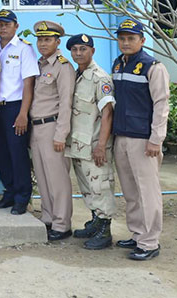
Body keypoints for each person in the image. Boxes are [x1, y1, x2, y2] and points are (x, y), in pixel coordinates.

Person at [111, 19, 170, 261]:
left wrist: (156, 139)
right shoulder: (118, 64)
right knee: (130, 191)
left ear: (142, 40)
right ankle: (137, 234)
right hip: (121, 136)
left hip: (144, 140)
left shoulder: (153, 67)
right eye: (122, 38)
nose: (125, 42)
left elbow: (161, 104)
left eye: (131, 38)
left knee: (148, 192)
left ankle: (149, 242)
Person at [66, 33, 117, 250]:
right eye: (74, 49)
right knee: (88, 187)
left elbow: (108, 113)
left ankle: (105, 231)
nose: (78, 53)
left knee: (100, 187)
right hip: (79, 143)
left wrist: (101, 146)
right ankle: (95, 221)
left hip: (95, 144)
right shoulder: (76, 75)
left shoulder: (100, 78)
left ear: (92, 51)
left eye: (83, 49)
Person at [0, 9, 38, 215]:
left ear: (16, 26)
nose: (2, 28)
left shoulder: (24, 49)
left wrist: (23, 114)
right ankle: (9, 192)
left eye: (7, 24)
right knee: (2, 152)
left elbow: (28, 84)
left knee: (17, 154)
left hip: (15, 107)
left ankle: (22, 197)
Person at [30, 20, 75, 240]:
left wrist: (61, 134)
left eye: (47, 39)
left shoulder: (63, 67)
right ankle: (48, 217)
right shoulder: (39, 64)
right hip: (36, 127)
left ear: (57, 42)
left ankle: (62, 224)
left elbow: (66, 103)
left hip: (52, 127)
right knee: (42, 176)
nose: (42, 43)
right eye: (40, 39)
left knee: (58, 179)